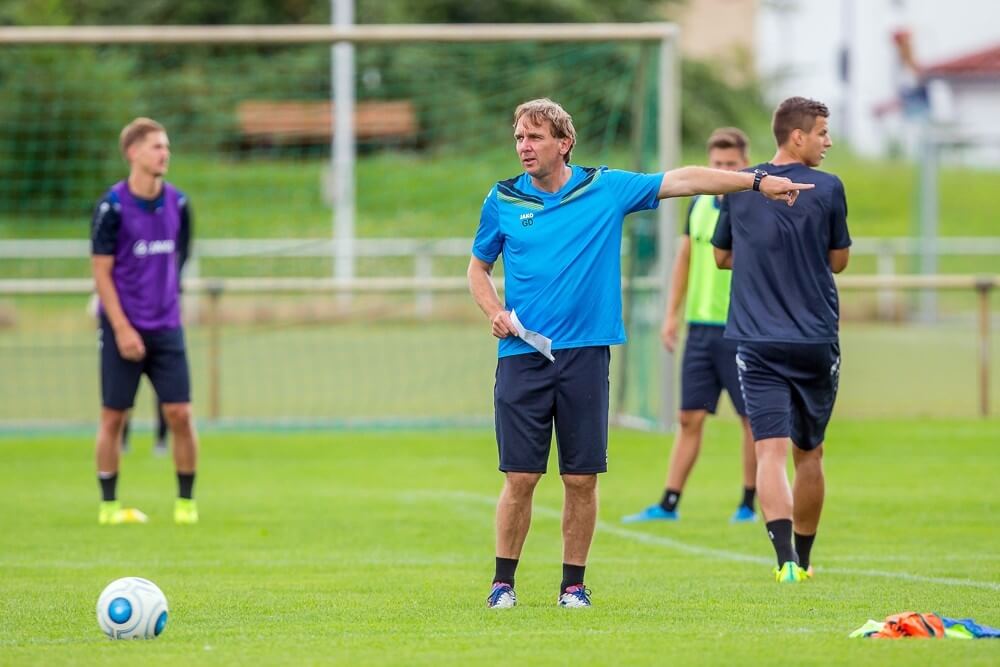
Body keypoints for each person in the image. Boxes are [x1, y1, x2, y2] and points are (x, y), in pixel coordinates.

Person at [468, 98, 813, 608]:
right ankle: (503, 584)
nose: (524, 146)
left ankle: (573, 586)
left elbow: (686, 180)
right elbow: (477, 268)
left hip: (585, 355)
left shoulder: (605, 188)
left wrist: (756, 182)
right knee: (520, 477)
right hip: (522, 356)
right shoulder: (502, 200)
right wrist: (493, 310)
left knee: (581, 478)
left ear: (564, 143)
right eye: (519, 137)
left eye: (535, 137)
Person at [711, 97, 850, 582]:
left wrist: (759, 258)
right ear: (797, 136)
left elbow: (721, 257)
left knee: (768, 450)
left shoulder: (741, 186)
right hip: (814, 338)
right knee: (809, 452)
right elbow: (838, 261)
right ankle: (807, 561)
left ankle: (785, 561)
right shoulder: (829, 189)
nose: (828, 141)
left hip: (757, 340)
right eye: (822, 133)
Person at [622, 128, 757, 526]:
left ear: (745, 164)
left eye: (731, 164)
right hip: (700, 330)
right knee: (688, 418)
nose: (724, 170)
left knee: (752, 419)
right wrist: (671, 315)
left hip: (742, 329)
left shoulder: (752, 206)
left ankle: (748, 504)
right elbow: (684, 259)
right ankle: (668, 503)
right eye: (717, 164)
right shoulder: (698, 203)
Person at [91, 117, 199, 526]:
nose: (165, 153)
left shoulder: (180, 203)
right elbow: (101, 272)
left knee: (181, 415)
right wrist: (121, 328)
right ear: (133, 153)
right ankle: (108, 507)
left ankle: (186, 504)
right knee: (114, 417)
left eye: (167, 146)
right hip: (122, 329)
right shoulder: (112, 207)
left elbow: (180, 258)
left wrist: (169, 300)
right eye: (157, 146)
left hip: (167, 326)